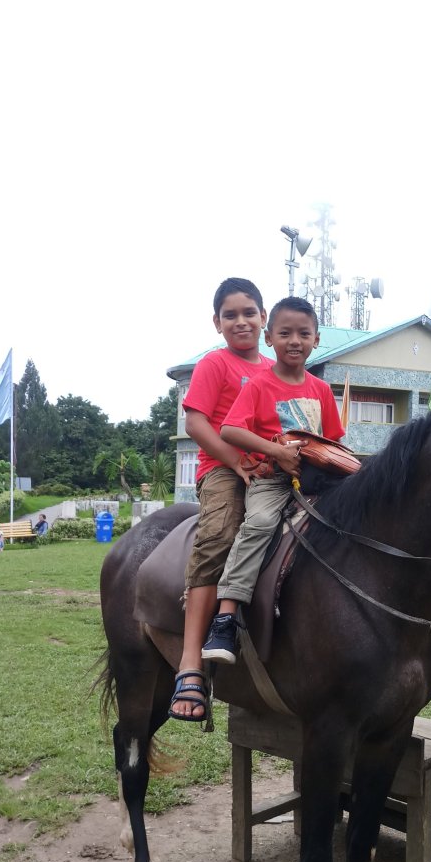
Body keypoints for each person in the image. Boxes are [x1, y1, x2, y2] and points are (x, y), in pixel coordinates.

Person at [204, 296, 345, 661]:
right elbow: (231, 429)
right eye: (285, 333)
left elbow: (335, 440)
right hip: (271, 481)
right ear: (270, 338)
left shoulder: (321, 389)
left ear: (316, 340)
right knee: (260, 523)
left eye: (303, 333)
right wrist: (276, 452)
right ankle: (226, 617)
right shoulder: (259, 385)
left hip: (318, 481)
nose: (294, 341)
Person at [169, 277, 274, 722]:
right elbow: (196, 425)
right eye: (230, 315)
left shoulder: (276, 369)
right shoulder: (216, 364)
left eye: (249, 312)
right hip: (224, 470)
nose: (241, 321)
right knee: (220, 533)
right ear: (217, 322)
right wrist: (235, 461)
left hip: (273, 469)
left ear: (263, 318)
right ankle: (191, 661)